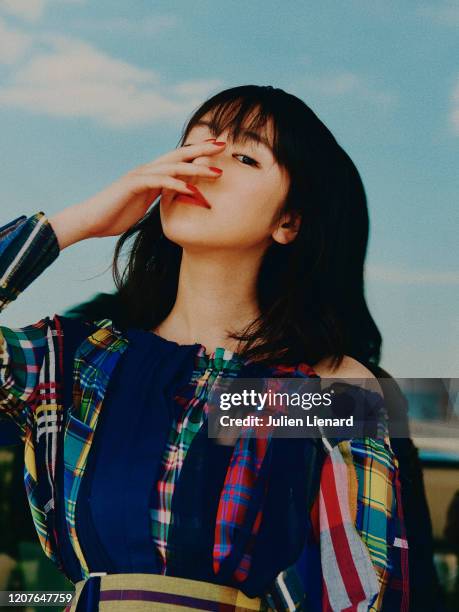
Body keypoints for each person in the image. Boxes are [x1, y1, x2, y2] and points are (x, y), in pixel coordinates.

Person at [0, 85, 409, 611]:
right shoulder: (75, 360)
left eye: (243, 155)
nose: (203, 167)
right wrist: (72, 224)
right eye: (195, 146)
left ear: (289, 222)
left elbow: (365, 593)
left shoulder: (323, 387)